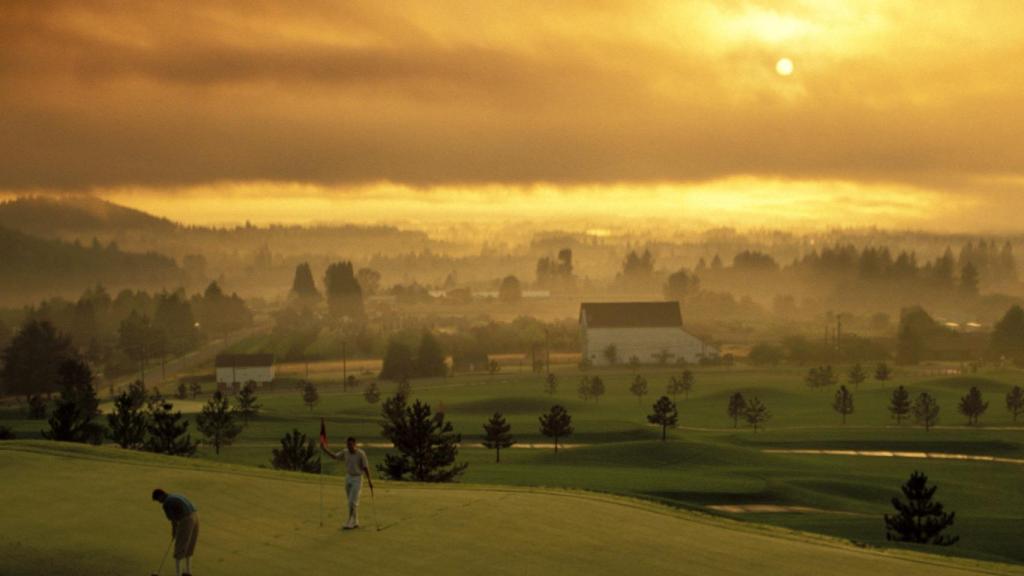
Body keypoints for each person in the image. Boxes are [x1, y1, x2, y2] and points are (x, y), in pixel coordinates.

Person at [322, 436, 374, 529]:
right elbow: (334, 456)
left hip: (357, 478)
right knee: (351, 501)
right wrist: (325, 449)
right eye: (347, 444)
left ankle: (349, 522)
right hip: (348, 477)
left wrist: (370, 480)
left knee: (352, 501)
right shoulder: (345, 452)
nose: (349, 446)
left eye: (350, 444)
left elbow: (365, 468)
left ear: (355, 444)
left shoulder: (361, 454)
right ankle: (356, 521)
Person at [152, 488, 199, 576]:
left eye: (158, 500)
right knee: (189, 545)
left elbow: (173, 521)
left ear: (160, 496)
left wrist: (174, 532)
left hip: (187, 519)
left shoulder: (166, 503)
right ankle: (188, 572)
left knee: (179, 547)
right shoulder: (175, 494)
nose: (159, 502)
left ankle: (178, 574)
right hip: (195, 516)